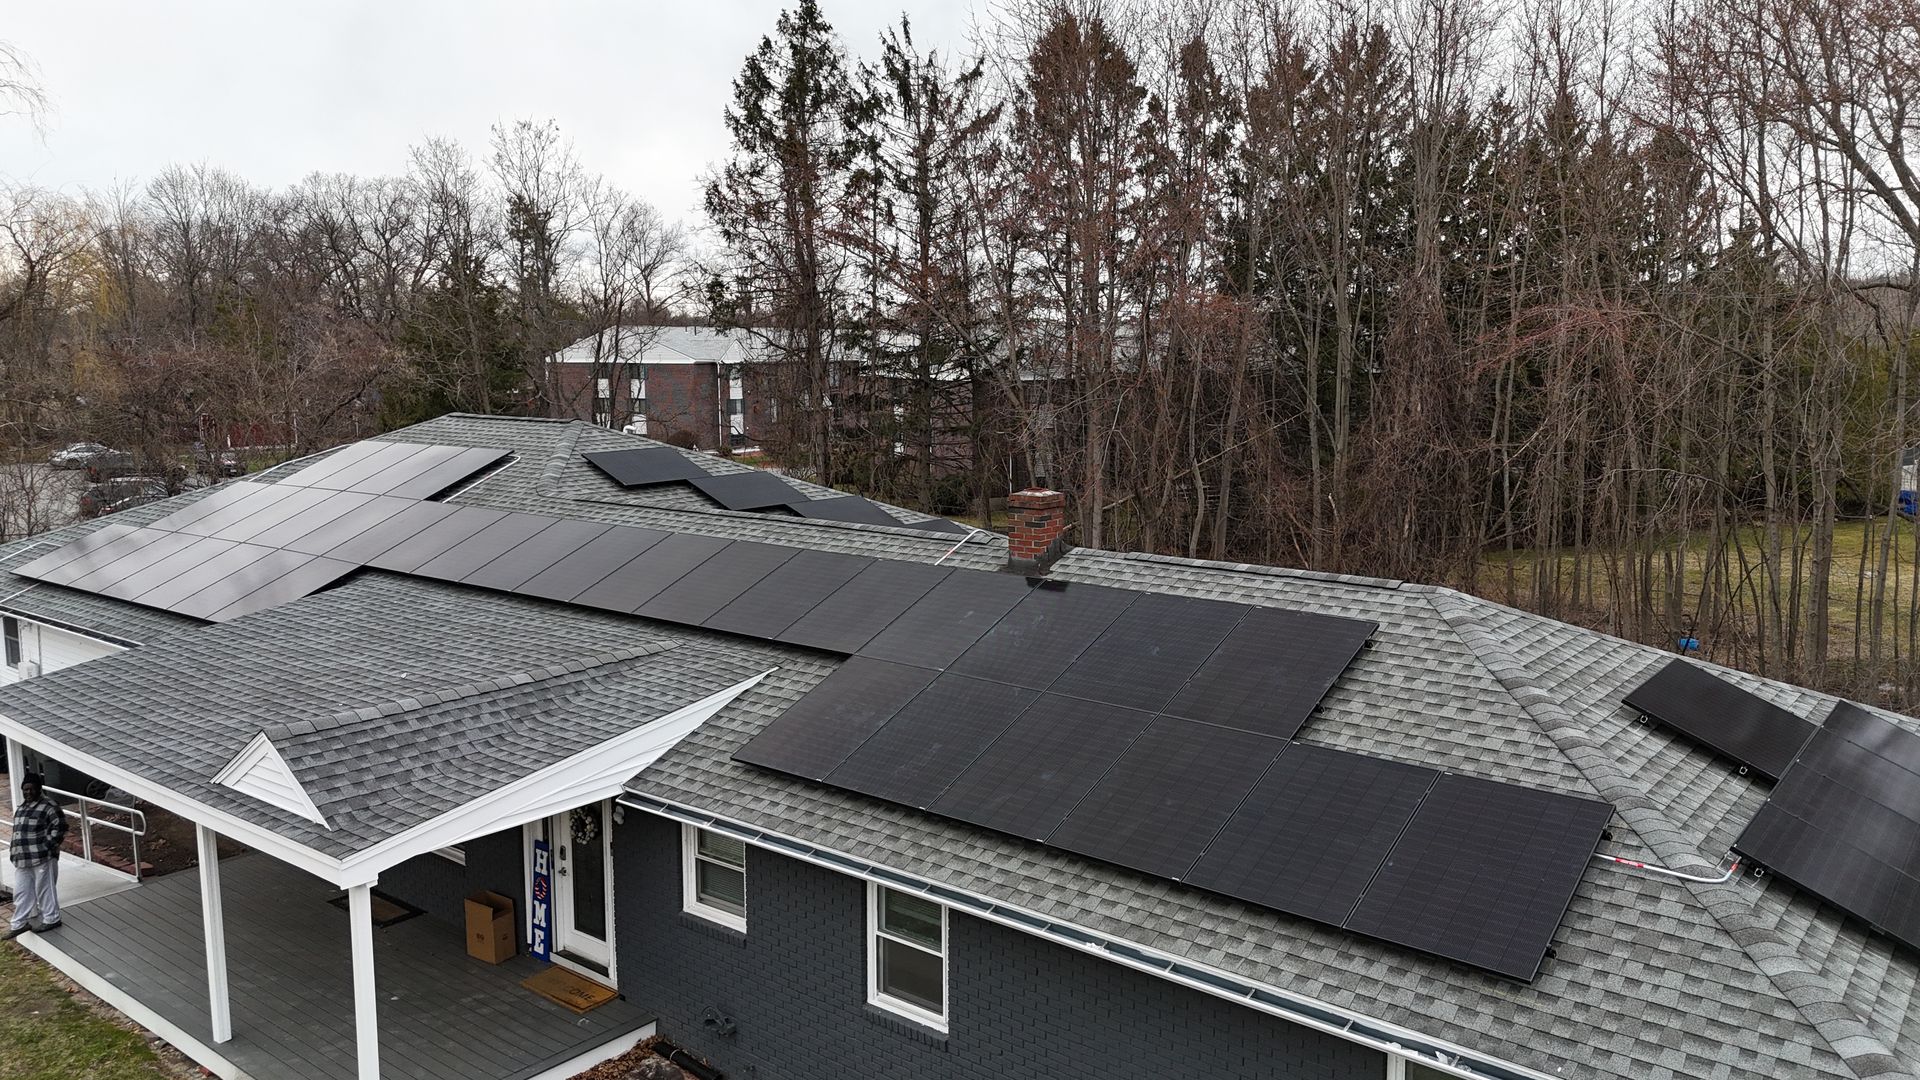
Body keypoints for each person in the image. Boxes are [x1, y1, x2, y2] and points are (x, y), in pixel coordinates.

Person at [6, 771, 65, 938]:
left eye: (32, 789)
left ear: (39, 789)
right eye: (25, 789)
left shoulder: (49, 806)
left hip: (42, 857)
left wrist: (47, 846)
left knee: (45, 889)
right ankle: (19, 923)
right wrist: (13, 852)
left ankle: (52, 918)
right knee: (21, 891)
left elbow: (60, 827)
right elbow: (16, 833)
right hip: (22, 859)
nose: (28, 792)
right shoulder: (22, 808)